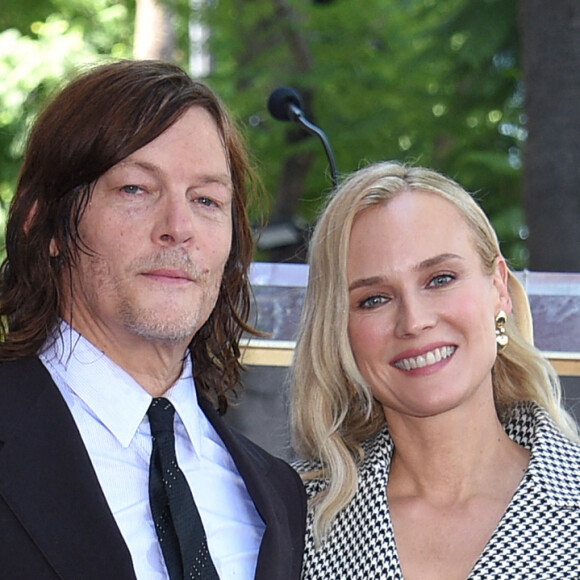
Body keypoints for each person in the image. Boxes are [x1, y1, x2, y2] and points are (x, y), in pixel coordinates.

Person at [0, 59, 306, 580]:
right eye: (135, 189)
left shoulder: (282, 495)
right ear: (43, 223)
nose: (179, 227)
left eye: (207, 199)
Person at [290, 161, 580, 579]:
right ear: (338, 329)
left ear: (498, 288)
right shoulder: (288, 518)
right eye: (373, 299)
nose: (414, 321)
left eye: (440, 278)